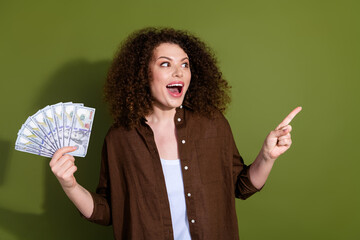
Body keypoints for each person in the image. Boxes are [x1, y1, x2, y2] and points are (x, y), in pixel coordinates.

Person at [49, 27, 302, 240]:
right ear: (143, 74)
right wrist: (69, 185)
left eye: (185, 64)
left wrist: (268, 156)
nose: (179, 72)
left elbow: (242, 186)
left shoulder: (212, 124)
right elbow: (108, 212)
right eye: (165, 64)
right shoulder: (120, 138)